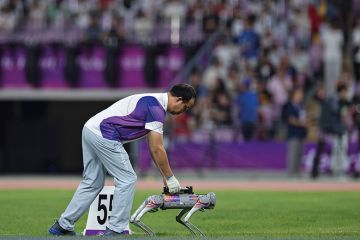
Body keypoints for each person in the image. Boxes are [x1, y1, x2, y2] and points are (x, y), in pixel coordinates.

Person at [48, 84, 196, 236]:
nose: (184, 111)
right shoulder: (156, 107)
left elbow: (153, 147)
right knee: (127, 179)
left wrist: (165, 176)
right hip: (105, 134)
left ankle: (63, 226)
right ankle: (116, 230)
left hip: (90, 129)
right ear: (178, 99)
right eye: (186, 107)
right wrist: (171, 178)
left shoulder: (153, 102)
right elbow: (157, 147)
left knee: (92, 182)